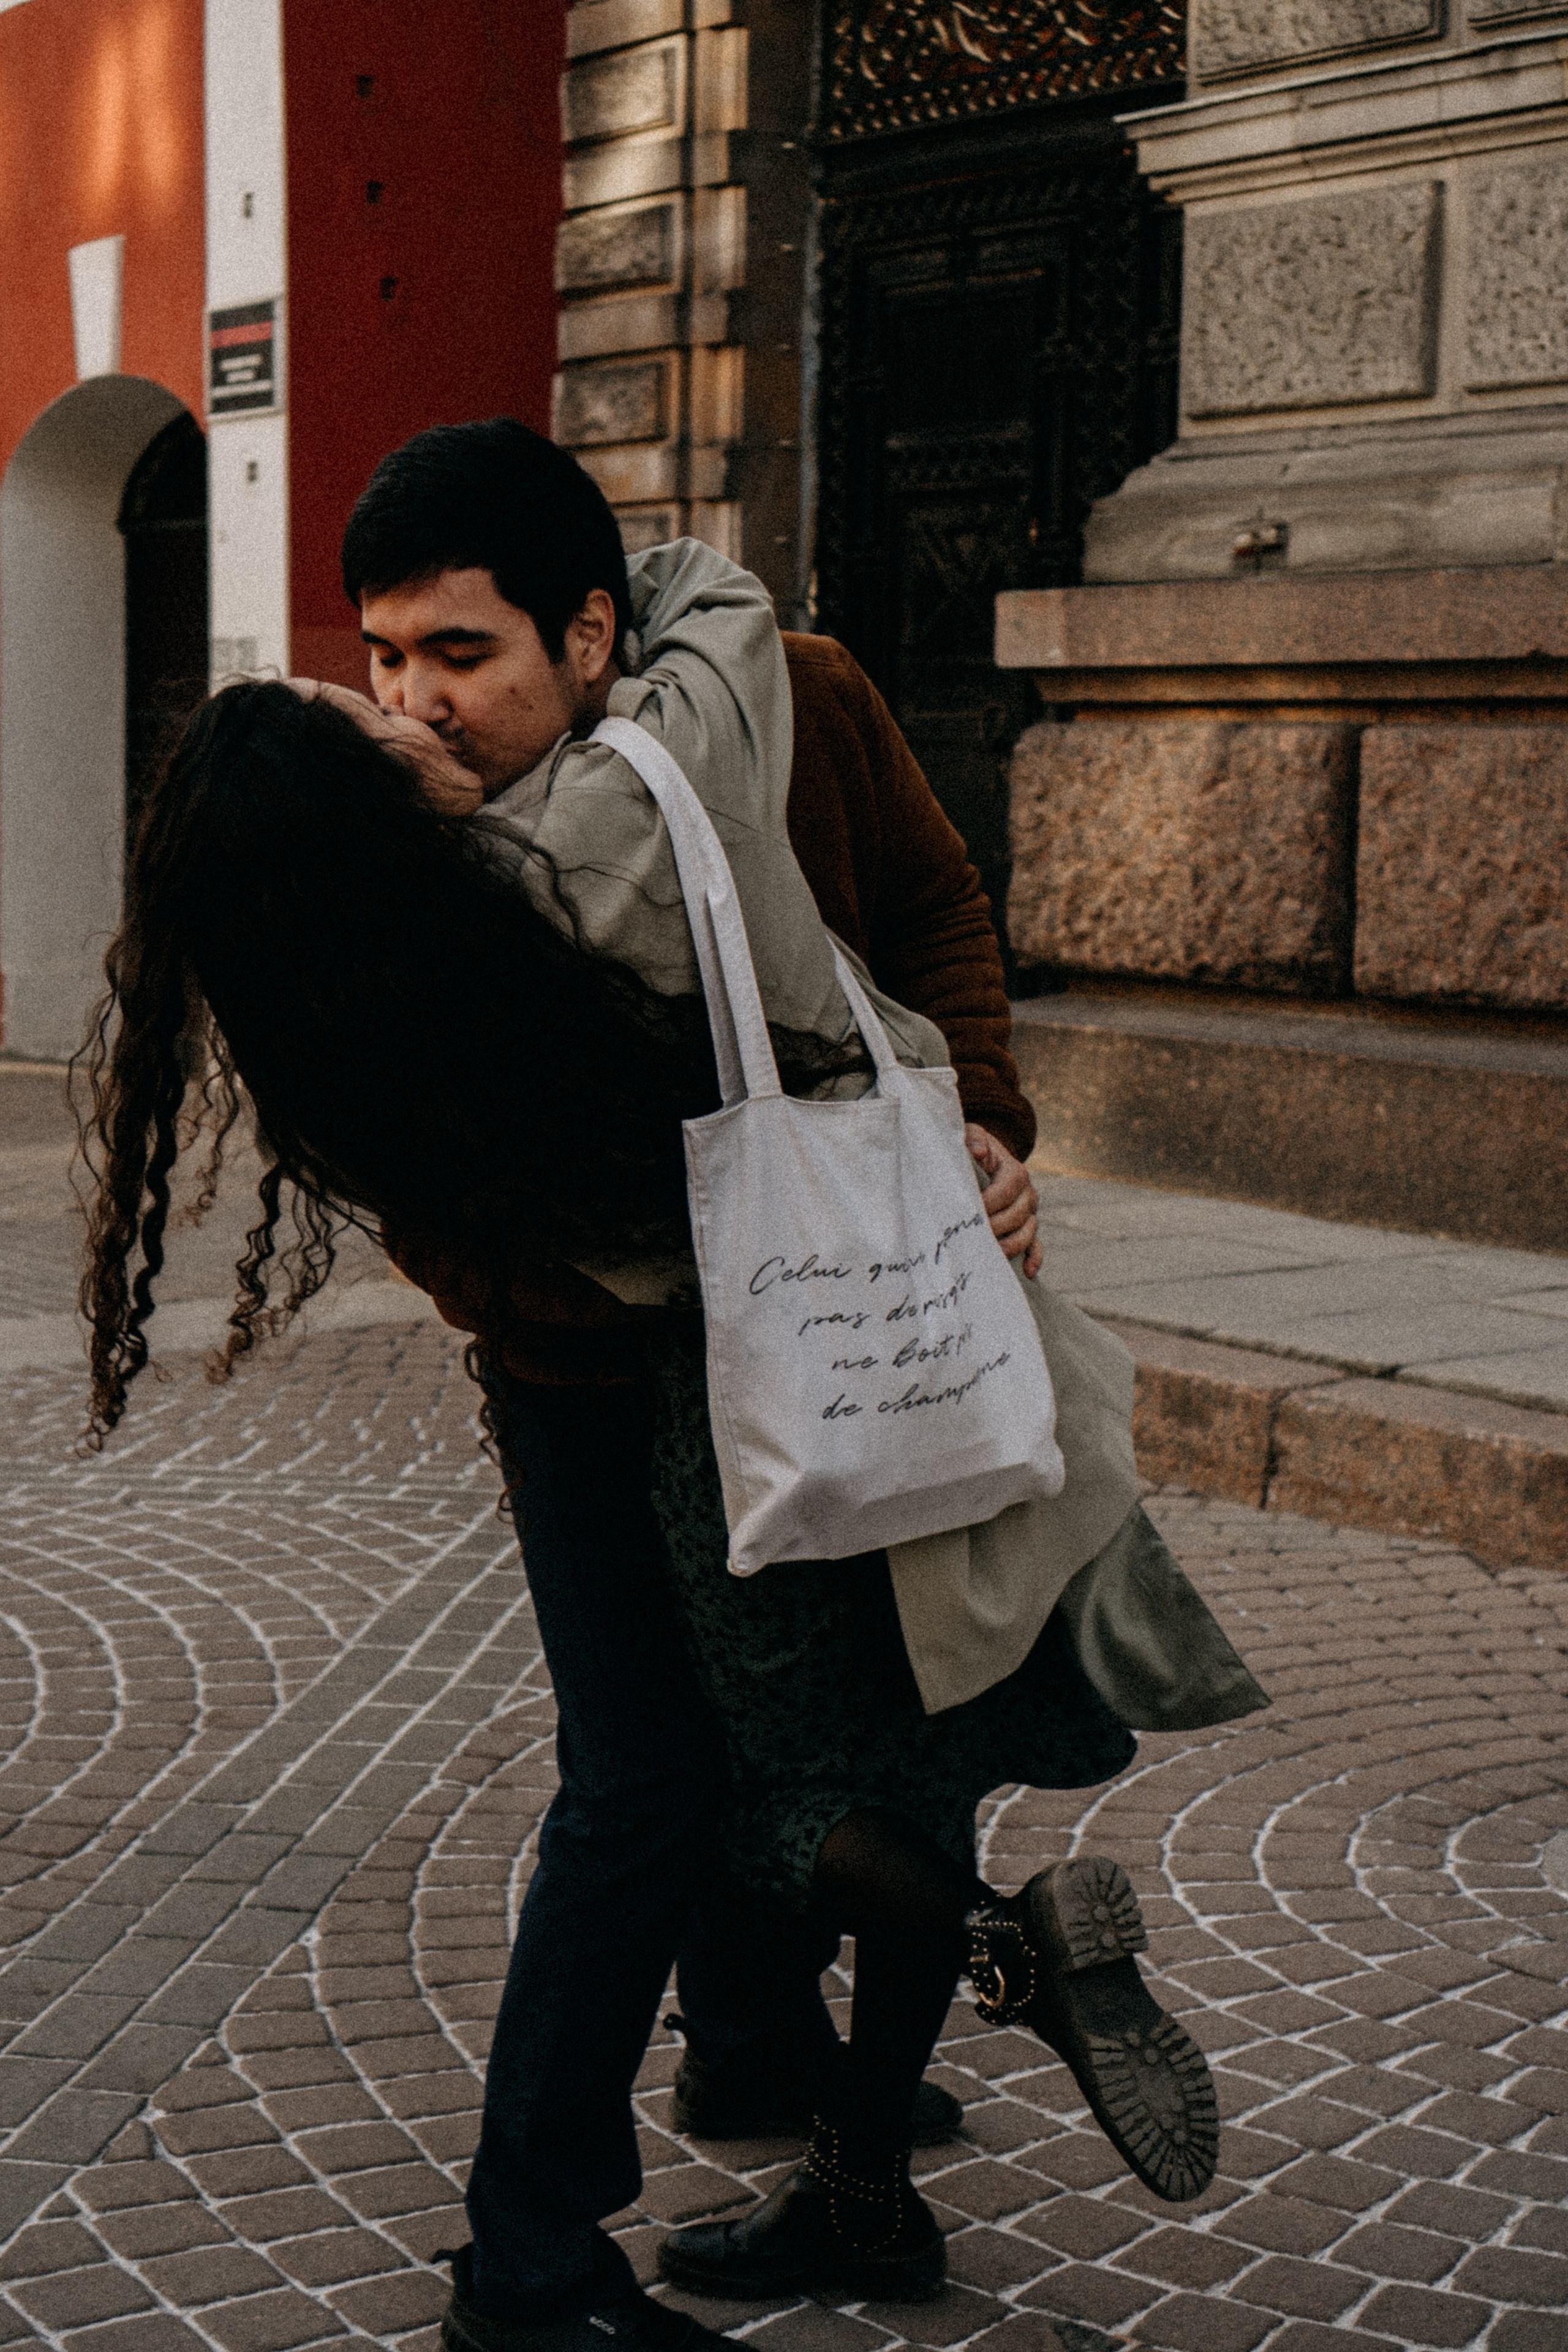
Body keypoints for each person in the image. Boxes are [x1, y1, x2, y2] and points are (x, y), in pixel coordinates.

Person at [77, 424, 1267, 2352]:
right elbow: (446, 1239)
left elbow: (945, 914)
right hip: (637, 1384)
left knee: (801, 1748)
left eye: (453, 654)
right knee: (753, 1763)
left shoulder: (785, 711)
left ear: (584, 629)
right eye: (379, 659)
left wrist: (985, 1125)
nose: (412, 700)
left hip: (834, 1317)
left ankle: (824, 2105)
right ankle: (866, 2030)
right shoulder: (410, 881)